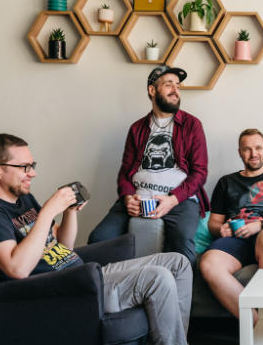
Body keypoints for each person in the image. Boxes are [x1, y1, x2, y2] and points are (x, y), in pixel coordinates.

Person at [0, 134, 226, 345]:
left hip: (83, 275)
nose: (32, 173)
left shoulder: (23, 200)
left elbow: (63, 246)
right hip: (64, 290)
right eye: (24, 167)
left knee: (177, 263)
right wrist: (48, 212)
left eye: (32, 165)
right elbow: (16, 268)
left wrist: (69, 212)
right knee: (157, 277)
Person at [88, 65, 209, 264]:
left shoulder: (192, 125)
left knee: (182, 245)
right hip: (139, 197)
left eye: (178, 86)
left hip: (180, 200)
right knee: (98, 240)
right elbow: (125, 172)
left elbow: (200, 172)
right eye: (169, 84)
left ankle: (181, 286)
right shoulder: (137, 128)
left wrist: (173, 199)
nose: (175, 90)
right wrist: (128, 198)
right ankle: (115, 283)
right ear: (152, 90)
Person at [200, 128, 263, 322]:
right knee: (209, 264)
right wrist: (222, 230)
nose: (253, 153)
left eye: (258, 148)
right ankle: (257, 325)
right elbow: (214, 223)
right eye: (247, 149)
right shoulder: (226, 182)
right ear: (240, 152)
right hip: (237, 238)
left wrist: (260, 225)